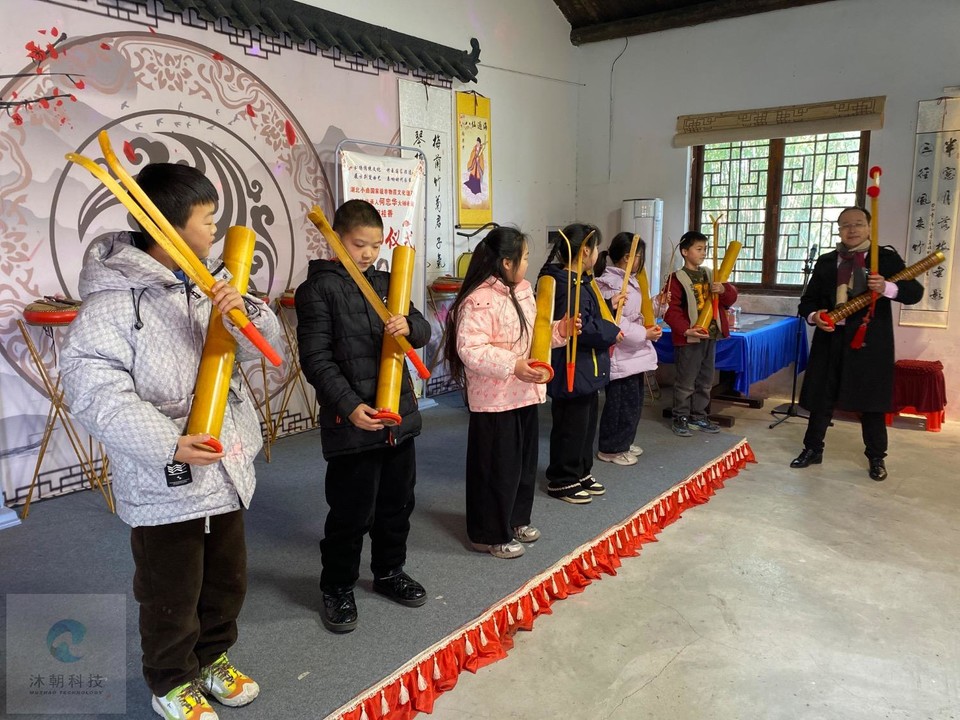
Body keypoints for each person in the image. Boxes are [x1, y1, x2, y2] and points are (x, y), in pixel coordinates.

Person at [60, 162, 279, 720]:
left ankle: (212, 659)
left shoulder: (213, 286)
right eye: (207, 219)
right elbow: (94, 392)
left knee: (226, 579)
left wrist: (247, 313)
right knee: (170, 591)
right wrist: (169, 443)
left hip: (224, 466)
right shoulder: (112, 301)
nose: (215, 230)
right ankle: (171, 681)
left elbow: (267, 350)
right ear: (168, 228)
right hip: (164, 475)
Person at [295, 199, 431, 634]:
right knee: (351, 512)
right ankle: (337, 586)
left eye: (375, 245)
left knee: (398, 504)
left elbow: (423, 328)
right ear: (336, 239)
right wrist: (349, 406)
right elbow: (316, 360)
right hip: (352, 422)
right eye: (359, 245)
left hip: (397, 420)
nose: (369, 254)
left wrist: (409, 326)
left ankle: (390, 571)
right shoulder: (318, 290)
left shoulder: (390, 282)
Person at [444, 226, 568, 558]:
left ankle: (515, 520)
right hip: (494, 400)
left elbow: (534, 335)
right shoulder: (478, 299)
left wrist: (560, 331)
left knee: (523, 465)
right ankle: (487, 534)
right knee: (495, 469)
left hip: (525, 392)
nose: (528, 263)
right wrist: (513, 365)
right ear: (506, 262)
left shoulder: (524, 290)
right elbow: (470, 350)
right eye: (524, 258)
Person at [790, 206, 924, 481]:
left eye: (858, 224)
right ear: (839, 230)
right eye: (845, 225)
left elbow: (914, 292)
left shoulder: (884, 258)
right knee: (822, 397)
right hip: (830, 338)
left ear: (869, 227)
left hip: (870, 342)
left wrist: (886, 287)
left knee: (871, 401)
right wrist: (815, 316)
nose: (851, 230)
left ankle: (876, 457)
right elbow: (807, 302)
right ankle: (813, 449)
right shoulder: (827, 261)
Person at [540, 223, 621, 503]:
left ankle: (581, 471)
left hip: (589, 366)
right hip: (571, 366)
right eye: (596, 247)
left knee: (586, 426)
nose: (598, 253)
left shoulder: (582, 281)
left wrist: (609, 308)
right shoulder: (564, 283)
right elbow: (579, 327)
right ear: (586, 250)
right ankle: (562, 479)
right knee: (570, 426)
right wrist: (611, 332)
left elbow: (591, 315)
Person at [594, 233, 665, 466]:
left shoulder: (630, 280)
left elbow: (638, 311)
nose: (641, 261)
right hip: (621, 355)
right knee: (620, 405)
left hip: (633, 355)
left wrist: (658, 303)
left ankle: (624, 441)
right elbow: (617, 323)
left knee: (633, 403)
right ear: (628, 257)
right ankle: (611, 448)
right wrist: (644, 334)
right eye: (639, 256)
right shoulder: (611, 284)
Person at [664, 230, 738, 437]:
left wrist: (723, 290)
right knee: (686, 381)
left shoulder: (711, 275)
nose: (703, 253)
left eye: (705, 249)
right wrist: (686, 329)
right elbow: (671, 310)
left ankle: (699, 415)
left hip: (709, 335)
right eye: (699, 249)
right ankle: (681, 417)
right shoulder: (676, 278)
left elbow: (730, 298)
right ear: (685, 251)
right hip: (689, 338)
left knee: (705, 380)